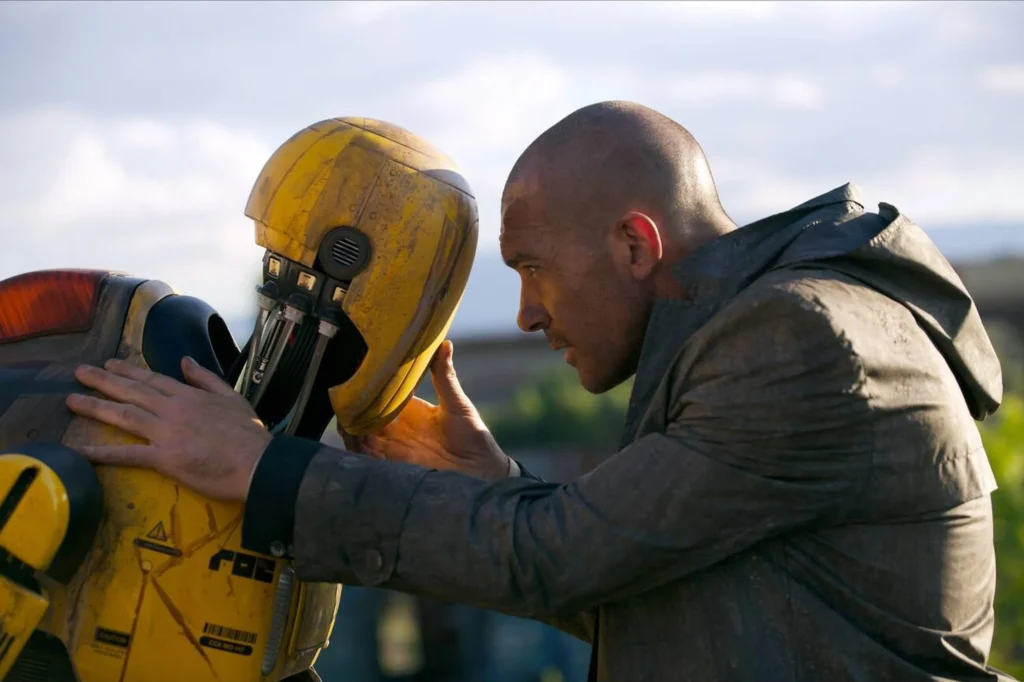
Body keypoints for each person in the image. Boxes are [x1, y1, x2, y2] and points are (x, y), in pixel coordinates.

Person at [65, 101, 1015, 681]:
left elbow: (564, 559)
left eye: (532, 269)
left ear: (634, 246)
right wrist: (486, 484)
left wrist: (263, 469)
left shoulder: (796, 343)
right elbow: (669, 606)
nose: (522, 314)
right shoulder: (765, 327)